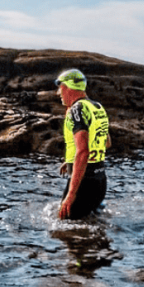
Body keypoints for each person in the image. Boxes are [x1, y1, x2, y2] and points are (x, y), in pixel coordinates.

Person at [56, 69, 110, 219]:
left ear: (68, 87)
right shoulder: (97, 107)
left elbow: (83, 151)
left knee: (65, 231)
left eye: (60, 88)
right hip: (100, 182)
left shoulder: (76, 110)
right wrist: (70, 159)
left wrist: (71, 194)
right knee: (89, 230)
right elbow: (106, 142)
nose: (58, 93)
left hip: (83, 184)